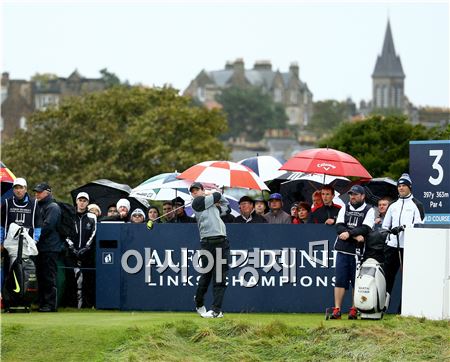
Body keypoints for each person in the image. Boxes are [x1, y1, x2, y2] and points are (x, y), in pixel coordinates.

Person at [329, 185, 375, 320]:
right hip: (342, 249)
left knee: (357, 282)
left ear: (362, 196)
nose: (352, 197)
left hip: (358, 251)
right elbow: (339, 226)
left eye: (355, 194)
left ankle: (354, 308)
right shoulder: (345, 207)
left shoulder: (369, 210)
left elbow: (366, 228)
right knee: (340, 280)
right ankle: (337, 309)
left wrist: (349, 234)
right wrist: (353, 235)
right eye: (351, 194)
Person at [381, 173, 424, 311]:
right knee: (388, 277)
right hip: (392, 246)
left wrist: (404, 228)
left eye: (404, 185)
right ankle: (383, 306)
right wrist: (390, 234)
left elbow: (420, 225)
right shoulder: (393, 205)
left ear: (409, 187)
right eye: (399, 186)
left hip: (408, 247)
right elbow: (385, 226)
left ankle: (403, 308)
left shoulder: (417, 204)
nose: (401, 188)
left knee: (408, 278)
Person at [190, 182, 230, 318]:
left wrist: (216, 195)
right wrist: (214, 192)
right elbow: (218, 195)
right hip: (207, 243)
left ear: (201, 190)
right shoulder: (197, 203)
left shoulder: (213, 207)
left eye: (196, 190)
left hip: (221, 242)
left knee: (220, 278)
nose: (194, 193)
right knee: (206, 276)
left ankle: (216, 310)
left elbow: (226, 207)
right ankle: (199, 301)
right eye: (192, 191)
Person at [0, 177, 42, 292]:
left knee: (25, 272)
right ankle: (9, 299)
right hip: (10, 245)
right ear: (13, 189)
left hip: (27, 245)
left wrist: (35, 241)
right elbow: (2, 226)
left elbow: (38, 226)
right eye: (16, 188)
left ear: (25, 189)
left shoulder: (34, 204)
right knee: (9, 272)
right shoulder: (7, 203)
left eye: (21, 188)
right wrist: (1, 242)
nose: (18, 190)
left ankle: (24, 298)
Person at [33, 182, 63, 312]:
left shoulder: (53, 207)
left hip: (50, 247)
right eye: (36, 192)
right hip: (40, 247)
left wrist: (34, 236)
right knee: (41, 276)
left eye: (39, 192)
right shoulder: (38, 206)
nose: (36, 194)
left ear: (48, 192)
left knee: (49, 276)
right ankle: (43, 303)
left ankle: (50, 305)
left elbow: (48, 226)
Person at [64, 192, 97, 308]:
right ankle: (72, 304)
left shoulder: (92, 217)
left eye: (84, 201)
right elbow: (66, 233)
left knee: (88, 279)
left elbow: (94, 233)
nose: (82, 203)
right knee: (71, 279)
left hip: (87, 253)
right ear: (76, 201)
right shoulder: (70, 216)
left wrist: (86, 248)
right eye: (80, 200)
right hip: (71, 252)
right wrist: (72, 247)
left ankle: (87, 305)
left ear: (87, 203)